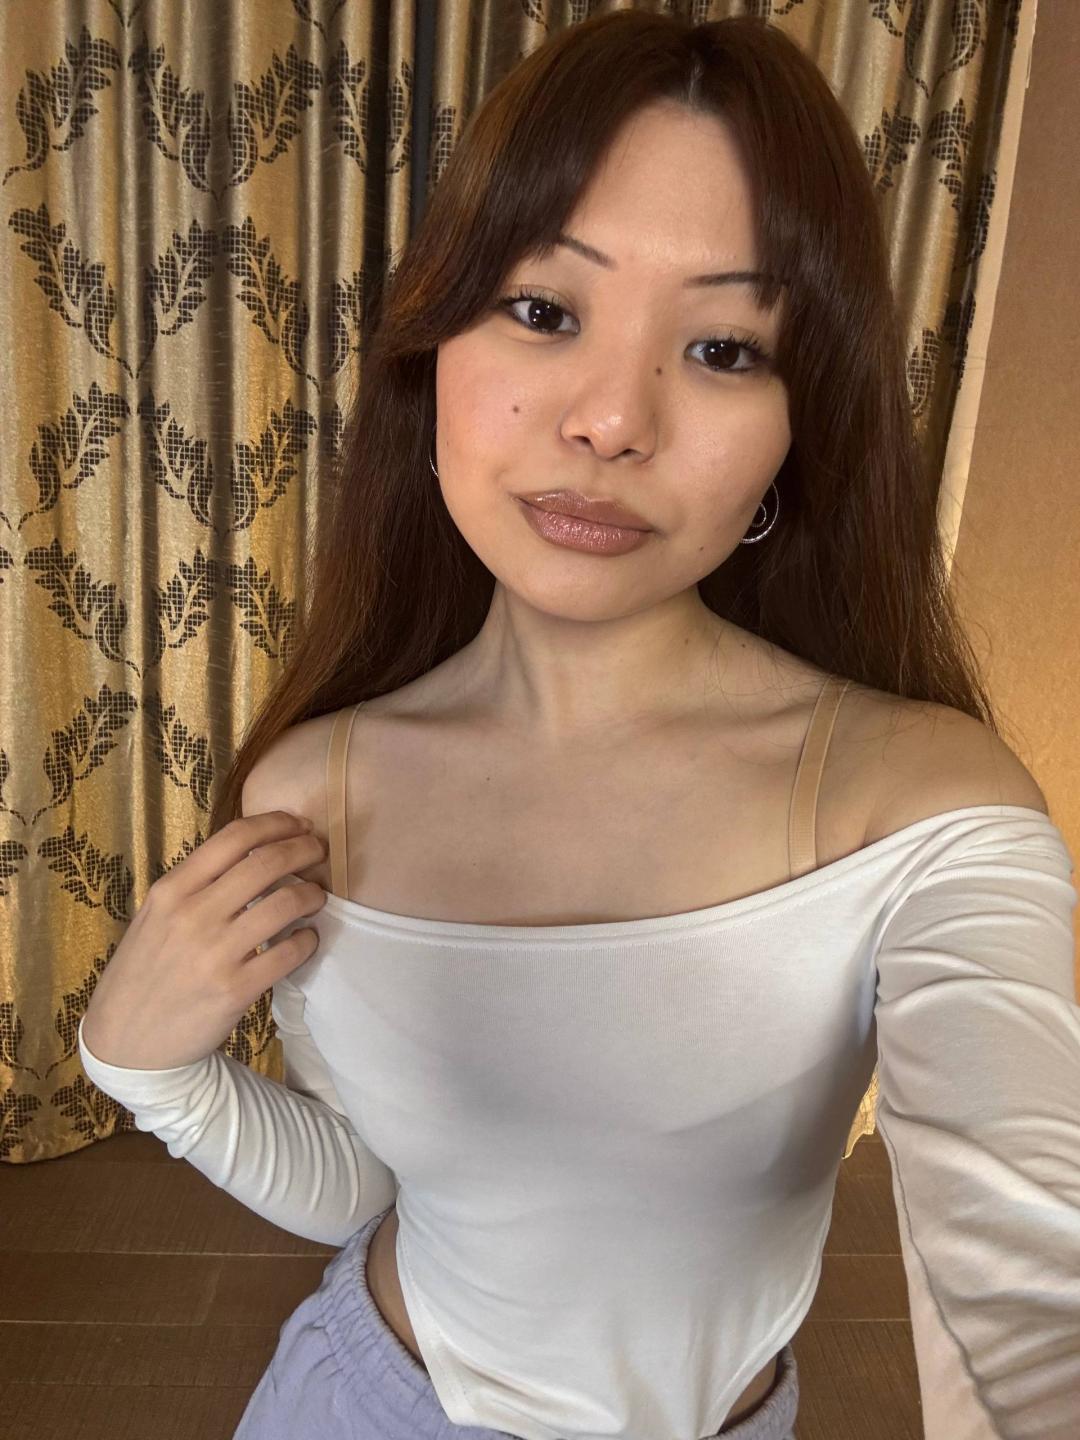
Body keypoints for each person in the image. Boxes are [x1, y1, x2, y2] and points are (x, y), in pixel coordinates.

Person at [78, 11, 1080, 1440]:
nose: (613, 420)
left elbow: (1028, 1269)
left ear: (799, 428)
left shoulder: (916, 808)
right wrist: (147, 1071)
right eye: (545, 312)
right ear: (433, 348)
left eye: (724, 346)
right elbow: (384, 1189)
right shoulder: (319, 786)